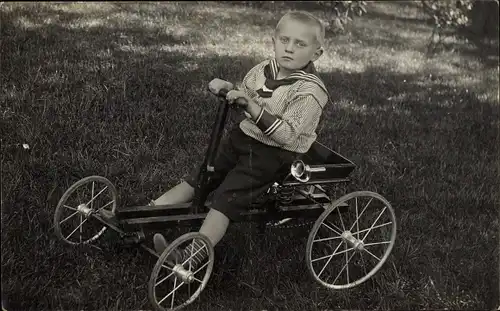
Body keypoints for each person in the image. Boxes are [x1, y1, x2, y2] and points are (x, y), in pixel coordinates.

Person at [105, 10, 331, 269]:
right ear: (274, 40)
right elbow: (245, 94)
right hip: (243, 139)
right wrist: (229, 89)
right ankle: (144, 215)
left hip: (274, 155)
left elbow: (286, 134)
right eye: (284, 40)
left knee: (227, 198)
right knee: (201, 178)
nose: (289, 49)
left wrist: (252, 107)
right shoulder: (263, 70)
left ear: (316, 54)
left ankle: (190, 257)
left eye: (300, 44)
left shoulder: (310, 91)